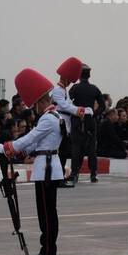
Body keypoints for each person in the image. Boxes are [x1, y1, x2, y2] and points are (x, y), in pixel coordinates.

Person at [0, 67, 63, 255]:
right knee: (48, 212)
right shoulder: (54, 117)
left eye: (35, 104)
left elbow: (30, 138)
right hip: (48, 167)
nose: (34, 108)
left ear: (42, 101)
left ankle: (49, 251)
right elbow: (35, 143)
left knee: (46, 213)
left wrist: (7, 148)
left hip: (46, 170)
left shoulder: (48, 119)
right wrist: (18, 151)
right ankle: (48, 249)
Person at [50, 56, 86, 187]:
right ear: (64, 78)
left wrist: (81, 110)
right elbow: (64, 106)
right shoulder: (58, 91)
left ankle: (59, 178)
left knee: (63, 153)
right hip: (60, 122)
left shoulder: (63, 90)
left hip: (65, 122)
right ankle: (58, 179)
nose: (70, 83)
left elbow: (68, 105)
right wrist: (78, 111)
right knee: (61, 152)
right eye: (69, 80)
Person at [69, 63, 103, 183]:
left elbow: (68, 103)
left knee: (76, 147)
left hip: (78, 119)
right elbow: (103, 106)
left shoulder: (74, 88)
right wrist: (94, 113)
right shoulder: (94, 89)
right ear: (89, 75)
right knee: (92, 148)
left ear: (79, 75)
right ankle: (93, 173)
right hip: (90, 120)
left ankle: (74, 173)